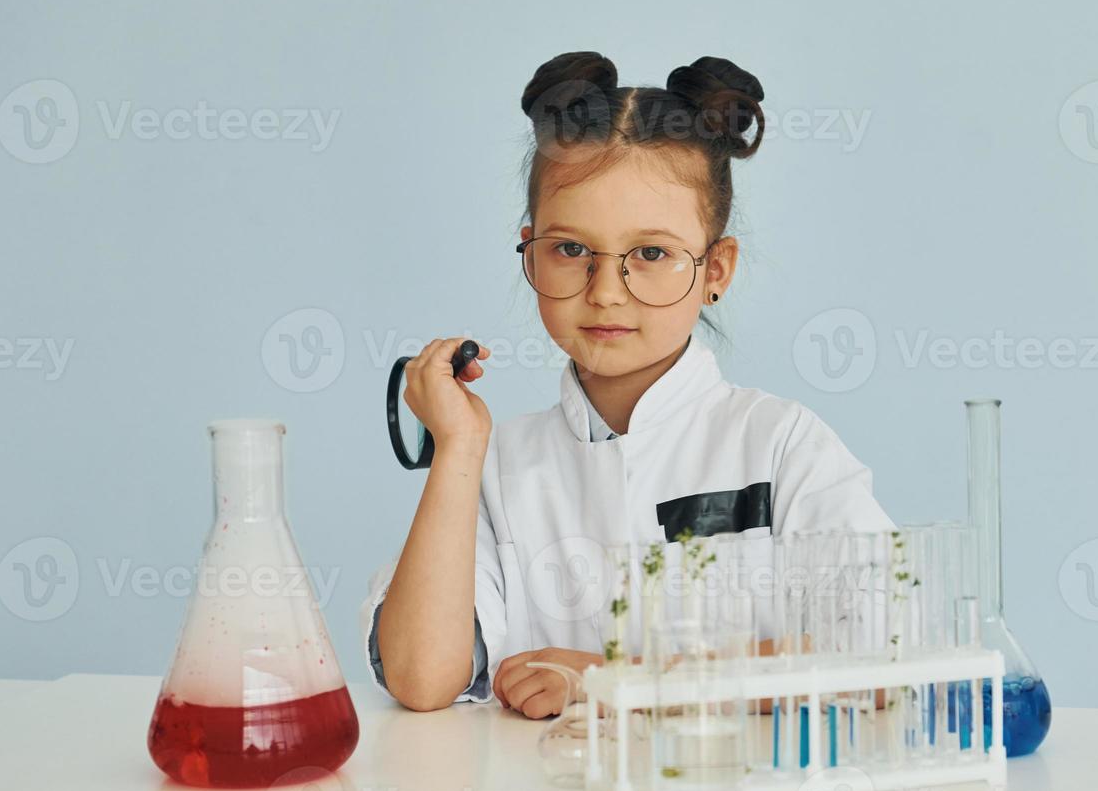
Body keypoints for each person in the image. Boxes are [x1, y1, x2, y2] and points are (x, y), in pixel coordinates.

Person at [362, 51, 893, 718]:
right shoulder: (495, 465)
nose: (607, 293)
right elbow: (420, 677)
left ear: (716, 268)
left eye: (651, 254)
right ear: (529, 251)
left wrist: (624, 680)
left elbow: (887, 655)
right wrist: (458, 448)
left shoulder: (782, 445)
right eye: (570, 250)